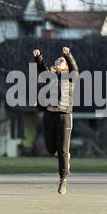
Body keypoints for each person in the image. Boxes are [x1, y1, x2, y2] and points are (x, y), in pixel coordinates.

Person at [32, 46, 78, 195]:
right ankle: (63, 156)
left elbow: (75, 68)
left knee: (63, 150)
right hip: (49, 115)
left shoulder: (70, 77)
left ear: (65, 66)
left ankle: (63, 179)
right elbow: (41, 68)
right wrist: (38, 57)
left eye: (62, 61)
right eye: (57, 60)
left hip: (64, 115)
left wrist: (68, 55)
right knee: (51, 148)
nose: (59, 61)